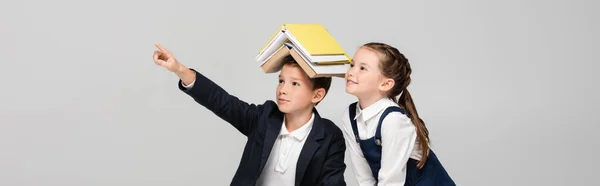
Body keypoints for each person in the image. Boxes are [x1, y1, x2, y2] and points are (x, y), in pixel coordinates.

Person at [152, 43, 346, 186]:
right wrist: (179, 69)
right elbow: (223, 102)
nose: (282, 90)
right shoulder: (264, 117)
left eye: (294, 84)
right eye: (281, 81)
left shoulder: (330, 137)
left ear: (317, 94)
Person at [341, 42, 455, 185]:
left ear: (386, 84)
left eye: (362, 68)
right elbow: (364, 177)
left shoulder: (393, 120)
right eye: (352, 65)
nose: (351, 72)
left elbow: (391, 181)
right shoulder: (350, 116)